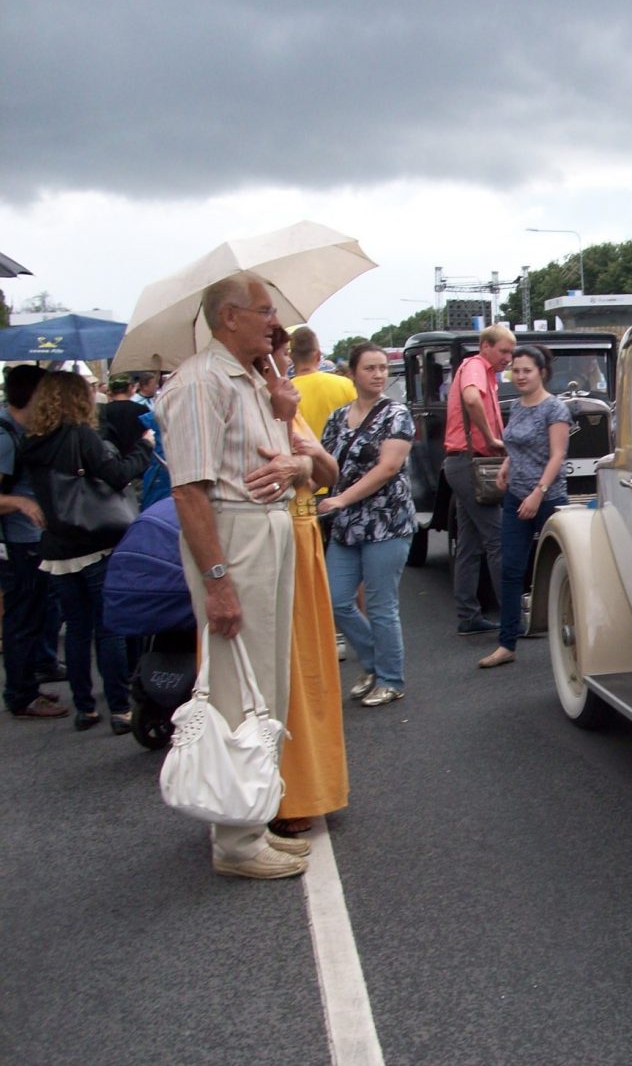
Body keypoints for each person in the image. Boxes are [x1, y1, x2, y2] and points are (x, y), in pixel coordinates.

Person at [156, 271, 311, 881]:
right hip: (234, 534)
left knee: (264, 681)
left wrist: (283, 416)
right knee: (236, 686)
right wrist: (217, 581)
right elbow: (189, 491)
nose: (275, 322)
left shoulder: (254, 380)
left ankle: (252, 817)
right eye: (264, 310)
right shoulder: (200, 383)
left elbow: (284, 464)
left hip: (262, 528)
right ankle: (237, 840)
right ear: (228, 317)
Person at [21, 371, 155, 733]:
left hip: (57, 547)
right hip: (95, 542)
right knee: (108, 629)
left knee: (77, 630)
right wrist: (145, 446)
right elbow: (118, 474)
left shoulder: (32, 442)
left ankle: (85, 707)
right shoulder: (81, 436)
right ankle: (119, 708)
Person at [261, 328, 347, 834]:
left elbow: (329, 472)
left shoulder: (287, 408)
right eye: (272, 358)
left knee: (307, 669)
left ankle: (306, 788)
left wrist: (304, 457)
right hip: (268, 542)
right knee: (277, 673)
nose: (281, 367)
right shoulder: (240, 402)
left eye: (282, 358)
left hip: (301, 533)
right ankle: (273, 796)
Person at [319, 342, 417, 707]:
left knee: (380, 605)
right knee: (336, 599)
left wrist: (342, 498)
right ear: (352, 373)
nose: (378, 375)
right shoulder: (337, 417)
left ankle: (390, 679)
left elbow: (388, 467)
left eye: (382, 368)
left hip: (386, 522)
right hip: (346, 525)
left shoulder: (397, 414)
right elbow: (326, 465)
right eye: (369, 368)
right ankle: (375, 662)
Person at [479, 344, 570, 670]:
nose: (520, 376)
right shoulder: (517, 405)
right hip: (516, 496)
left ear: (541, 372)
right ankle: (507, 643)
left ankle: (574, 641)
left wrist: (538, 493)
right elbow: (516, 444)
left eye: (526, 371)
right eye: (515, 370)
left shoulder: (555, 408)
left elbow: (557, 455)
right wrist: (507, 464)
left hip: (548, 497)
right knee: (511, 569)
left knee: (563, 571)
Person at [0, 365, 69, 720]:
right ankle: (21, 695)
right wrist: (20, 503)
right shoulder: (4, 437)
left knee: (35, 614)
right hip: (18, 543)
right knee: (22, 619)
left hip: (30, 540)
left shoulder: (19, 430)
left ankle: (31, 679)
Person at [442, 324, 515, 636]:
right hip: (469, 462)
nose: (508, 358)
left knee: (469, 545)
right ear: (485, 346)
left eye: (511, 353)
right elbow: (471, 399)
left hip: (463, 462)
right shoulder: (475, 366)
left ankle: (468, 615)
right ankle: (512, 617)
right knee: (498, 538)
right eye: (504, 351)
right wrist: (491, 438)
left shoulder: (483, 371)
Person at [289, 326, 355, 439]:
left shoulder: (286, 394)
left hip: (303, 450)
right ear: (318, 355)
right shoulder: (345, 385)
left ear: (291, 357)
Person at [99, 374, 151, 453]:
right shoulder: (142, 409)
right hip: (137, 453)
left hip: (111, 454)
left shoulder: (102, 410)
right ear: (130, 387)